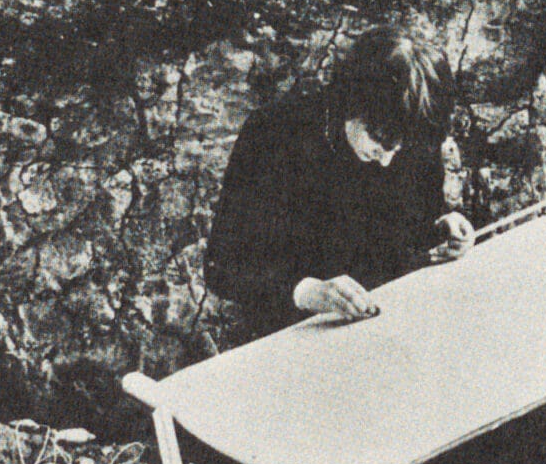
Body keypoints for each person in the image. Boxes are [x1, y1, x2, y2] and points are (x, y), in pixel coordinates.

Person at [204, 25, 475, 334]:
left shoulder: (411, 138)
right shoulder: (275, 132)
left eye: (401, 148)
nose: (387, 160)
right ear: (353, 101)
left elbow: (407, 229)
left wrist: (442, 232)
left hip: (389, 321)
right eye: (379, 139)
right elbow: (222, 266)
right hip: (298, 334)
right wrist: (308, 292)